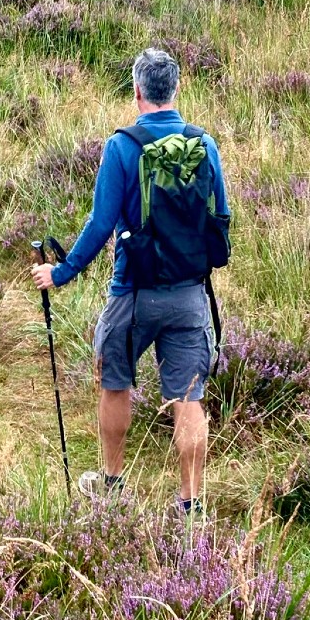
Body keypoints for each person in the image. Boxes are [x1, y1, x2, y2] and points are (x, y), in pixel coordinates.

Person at [31, 48, 229, 515]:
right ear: (175, 89)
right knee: (189, 398)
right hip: (190, 296)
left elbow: (100, 226)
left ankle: (112, 487)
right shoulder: (205, 144)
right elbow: (220, 217)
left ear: (137, 91)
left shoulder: (121, 147)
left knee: (115, 382)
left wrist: (59, 272)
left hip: (133, 294)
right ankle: (191, 505)